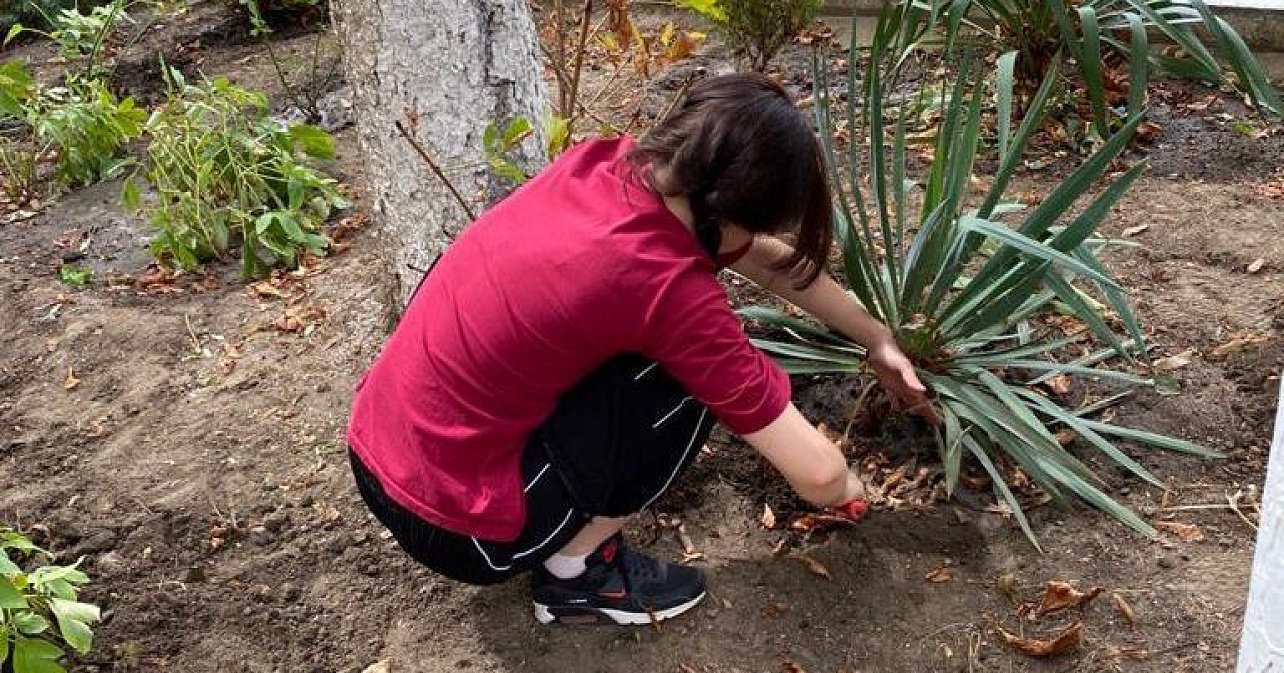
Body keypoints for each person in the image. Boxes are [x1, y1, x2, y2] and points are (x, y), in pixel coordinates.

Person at [347, 72, 934, 626]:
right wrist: (849, 490)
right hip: (457, 526)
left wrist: (876, 338)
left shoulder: (604, 165)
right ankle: (576, 575)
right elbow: (819, 475)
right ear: (726, 212)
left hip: (380, 448)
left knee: (635, 355)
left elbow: (761, 256)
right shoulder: (667, 290)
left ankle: (557, 529)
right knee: (683, 384)